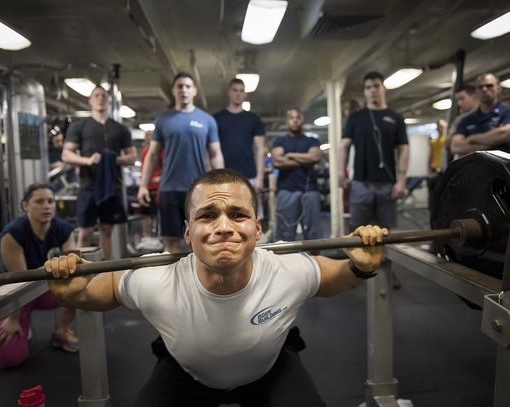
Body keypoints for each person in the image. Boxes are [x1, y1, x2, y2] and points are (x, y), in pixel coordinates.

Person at [45, 168, 388, 407]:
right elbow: (109, 289)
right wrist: (76, 293)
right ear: (187, 232)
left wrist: (359, 265)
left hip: (269, 370)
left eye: (237, 215)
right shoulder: (159, 277)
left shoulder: (284, 267)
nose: (223, 227)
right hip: (186, 375)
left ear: (258, 228)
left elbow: (329, 276)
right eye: (207, 216)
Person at [0, 183, 78, 368]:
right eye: (39, 201)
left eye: (50, 201)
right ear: (25, 206)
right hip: (17, 295)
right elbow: (19, 281)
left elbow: (72, 271)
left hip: (47, 289)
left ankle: (60, 333)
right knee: (9, 358)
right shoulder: (13, 234)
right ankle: (22, 322)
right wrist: (14, 320)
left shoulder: (64, 229)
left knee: (79, 288)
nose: (46, 206)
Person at [137, 72, 224, 253]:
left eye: (187, 86)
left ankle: (197, 281)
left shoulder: (207, 120)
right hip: (169, 189)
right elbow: (152, 155)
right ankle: (176, 282)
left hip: (198, 190)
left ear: (194, 91)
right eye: (179, 86)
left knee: (199, 241)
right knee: (171, 243)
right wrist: (143, 186)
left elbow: (215, 154)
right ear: (173, 91)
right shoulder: (163, 120)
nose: (183, 90)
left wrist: (222, 185)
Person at [62, 86, 137, 260]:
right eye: (96, 95)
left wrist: (113, 159)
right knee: (85, 232)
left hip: (112, 186)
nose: (100, 98)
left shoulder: (120, 129)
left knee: (107, 231)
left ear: (108, 100)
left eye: (104, 95)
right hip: (88, 185)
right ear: (90, 100)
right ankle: (82, 273)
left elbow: (132, 156)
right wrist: (88, 160)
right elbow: (66, 154)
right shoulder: (79, 126)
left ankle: (106, 273)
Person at [339, 71, 409, 231]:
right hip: (360, 183)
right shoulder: (355, 118)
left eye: (376, 86)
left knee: (385, 231)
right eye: (368, 87)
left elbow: (404, 148)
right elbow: (343, 146)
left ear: (383, 88)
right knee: (357, 230)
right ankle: (357, 257)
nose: (372, 90)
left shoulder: (395, 118)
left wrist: (402, 180)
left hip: (386, 183)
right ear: (365, 91)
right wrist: (340, 173)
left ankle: (384, 257)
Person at [213, 78, 266, 216]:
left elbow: (260, 149)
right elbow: (211, 151)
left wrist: (260, 177)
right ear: (228, 92)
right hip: (224, 178)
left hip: (249, 176)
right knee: (225, 216)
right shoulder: (217, 119)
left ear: (245, 94)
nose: (238, 94)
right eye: (235, 90)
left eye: (241, 91)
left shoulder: (253, 119)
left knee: (252, 217)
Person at [271, 108, 323, 241]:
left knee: (313, 234)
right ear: (287, 121)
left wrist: (289, 155)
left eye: (298, 117)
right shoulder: (280, 141)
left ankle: (315, 261)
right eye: (291, 118)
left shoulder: (312, 140)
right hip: (286, 191)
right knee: (285, 234)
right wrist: (305, 160)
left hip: (310, 190)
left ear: (302, 120)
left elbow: (315, 157)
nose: (295, 120)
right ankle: (284, 262)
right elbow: (277, 161)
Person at [450, 73, 510, 156]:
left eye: (489, 86)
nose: (484, 89)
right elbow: (456, 147)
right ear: (476, 91)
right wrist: (496, 141)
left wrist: (472, 138)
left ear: (499, 88)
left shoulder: (507, 112)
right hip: (475, 167)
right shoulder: (466, 120)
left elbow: (506, 133)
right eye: (480, 87)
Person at [136, 130, 163, 252]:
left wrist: (161, 178)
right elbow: (143, 168)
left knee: (157, 213)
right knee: (145, 213)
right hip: (147, 186)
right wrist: (143, 184)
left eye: (152, 136)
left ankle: (158, 236)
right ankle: (146, 236)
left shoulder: (161, 151)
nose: (150, 139)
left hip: (158, 187)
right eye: (148, 137)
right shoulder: (144, 151)